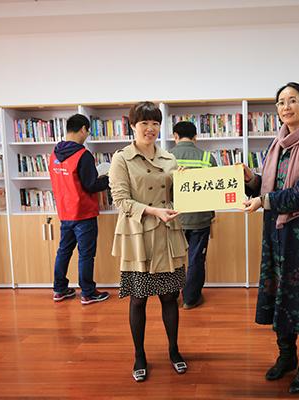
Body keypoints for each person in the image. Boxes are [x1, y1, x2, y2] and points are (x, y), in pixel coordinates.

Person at [243, 82, 299, 394]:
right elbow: (269, 187)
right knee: (279, 291)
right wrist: (251, 180)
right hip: (276, 231)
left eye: (292, 100)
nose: (286, 107)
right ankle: (286, 356)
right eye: (281, 102)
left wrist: (263, 201)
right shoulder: (277, 144)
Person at [109, 101, 189, 382]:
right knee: (138, 299)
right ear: (133, 125)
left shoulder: (169, 158)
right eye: (144, 123)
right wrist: (154, 211)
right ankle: (139, 355)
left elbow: (178, 196)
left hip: (167, 235)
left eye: (155, 123)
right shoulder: (122, 159)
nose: (150, 128)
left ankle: (174, 351)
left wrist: (186, 188)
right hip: (139, 235)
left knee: (170, 297)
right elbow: (121, 200)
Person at [48, 114, 110, 305]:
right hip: (83, 213)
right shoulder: (83, 155)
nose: (87, 135)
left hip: (65, 212)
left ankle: (59, 289)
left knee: (63, 251)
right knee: (86, 254)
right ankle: (88, 293)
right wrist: (109, 179)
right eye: (87, 131)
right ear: (83, 129)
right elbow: (91, 185)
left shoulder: (54, 154)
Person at [168, 121, 217, 309]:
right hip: (200, 219)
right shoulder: (207, 157)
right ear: (196, 137)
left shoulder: (166, 157)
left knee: (174, 259)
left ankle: (171, 296)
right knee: (196, 259)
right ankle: (190, 298)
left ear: (175, 136)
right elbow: (215, 190)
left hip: (173, 218)